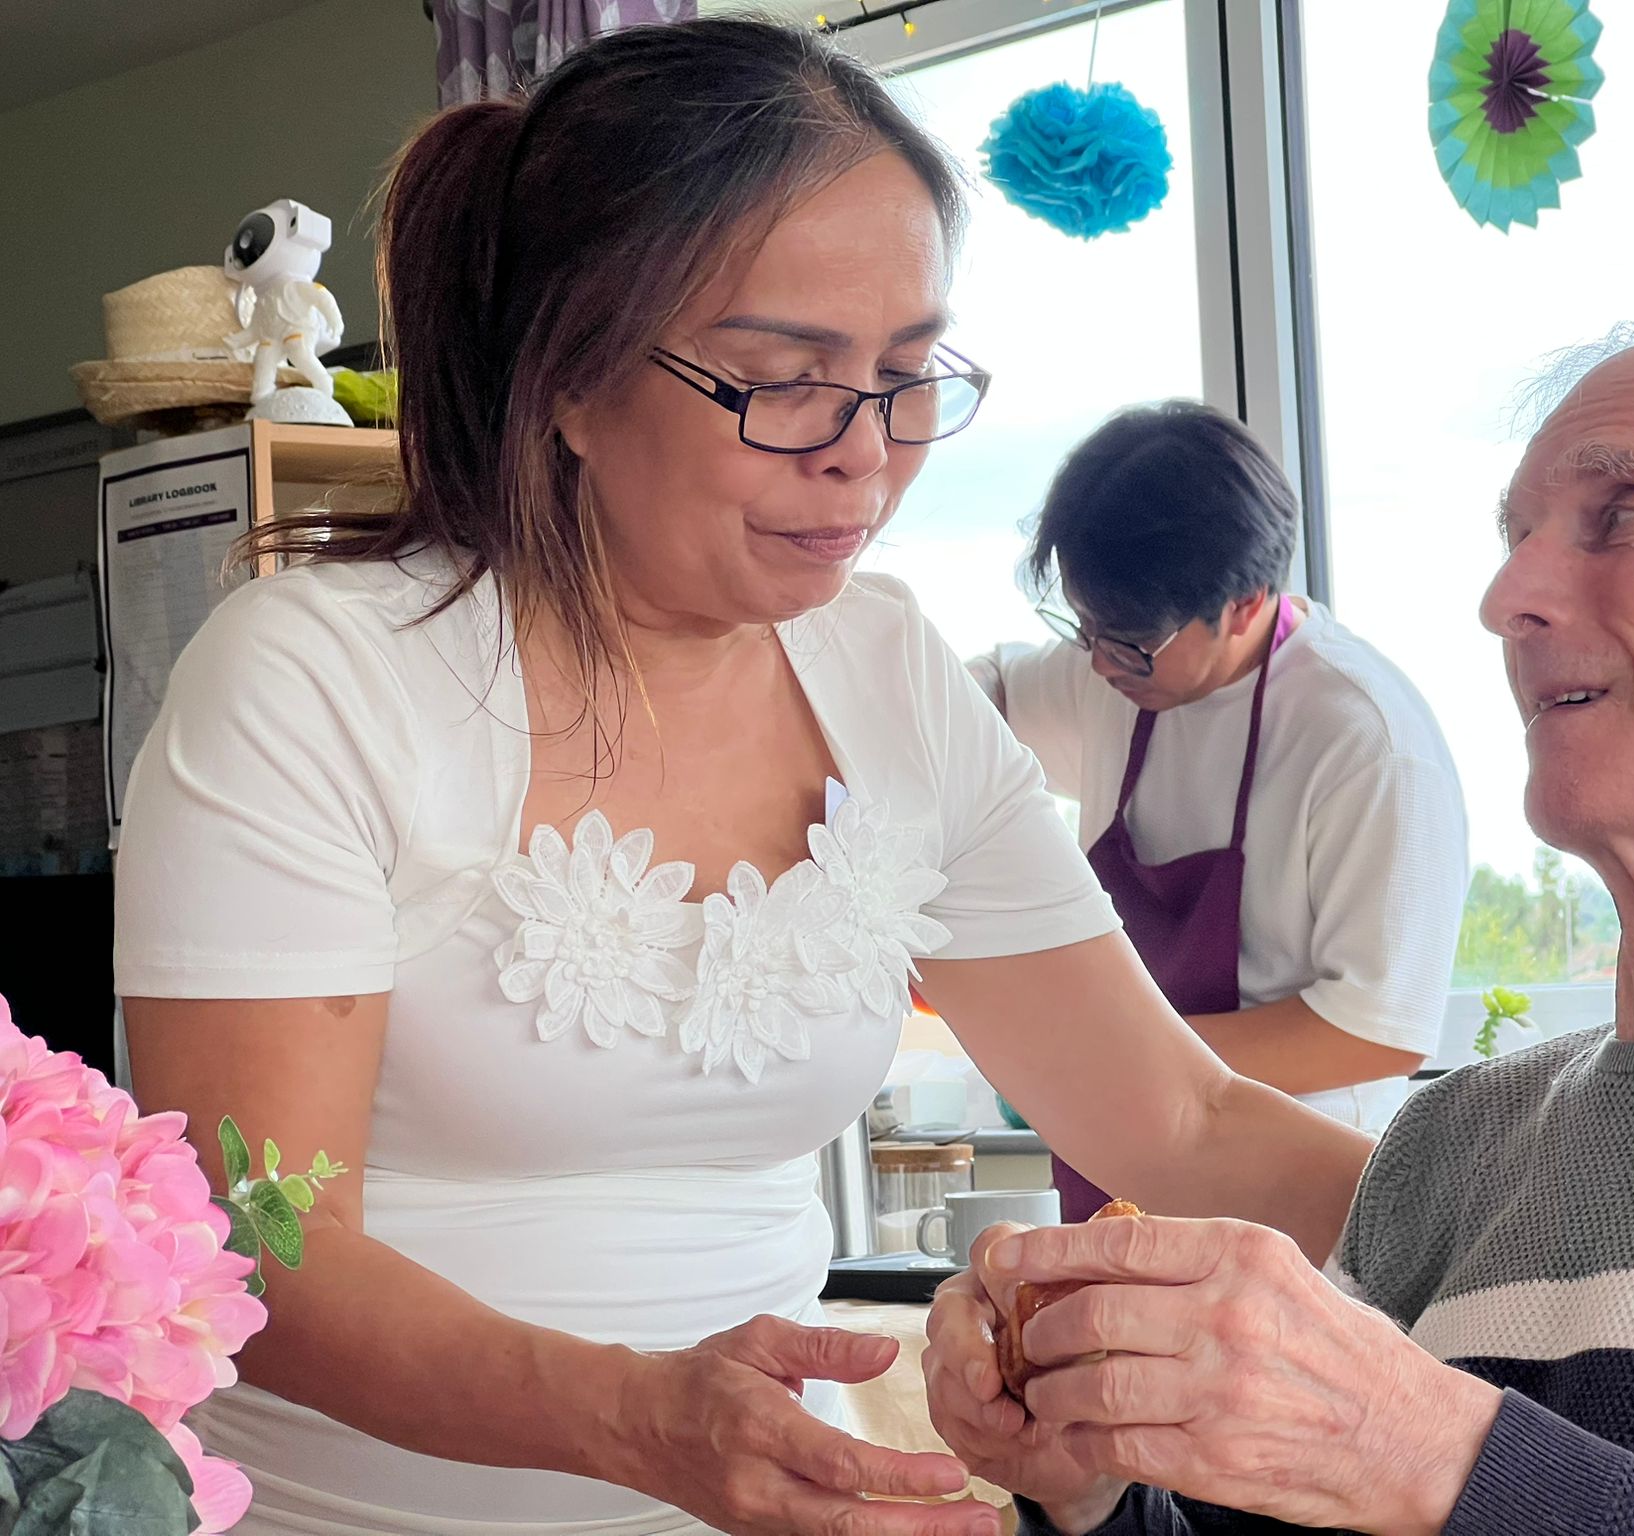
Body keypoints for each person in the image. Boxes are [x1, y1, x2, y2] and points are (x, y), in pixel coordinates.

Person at [111, 21, 1370, 1536]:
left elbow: (1178, 1120)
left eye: (909, 378)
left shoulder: (889, 671)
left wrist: (1558, 1217)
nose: (867, 457)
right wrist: (637, 1418)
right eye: (788, 379)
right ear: (566, 378)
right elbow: (266, 1243)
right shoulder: (317, 679)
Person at [921, 315, 1634, 1535]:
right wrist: (1082, 1489)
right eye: (1513, 538)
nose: (1504, 598)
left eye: (1617, 515)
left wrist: (1431, 1452)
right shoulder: (1452, 1148)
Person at [968, 404, 1466, 1214]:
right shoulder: (1115, 673)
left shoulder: (1364, 739)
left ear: (1245, 603)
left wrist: (1100, 1056)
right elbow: (985, 697)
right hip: (1118, 1176)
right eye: (1082, 626)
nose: (1095, 663)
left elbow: (1378, 1027)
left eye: (1127, 641)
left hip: (1285, 1210)